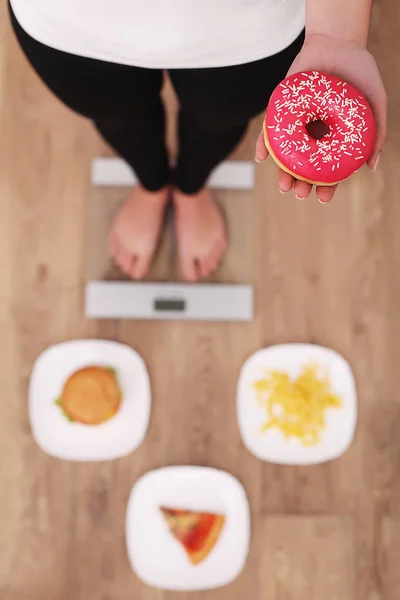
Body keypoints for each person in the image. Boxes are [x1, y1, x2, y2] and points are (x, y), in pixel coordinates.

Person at [9, 0, 386, 282]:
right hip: (67, 25)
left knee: (219, 120)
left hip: (250, 27)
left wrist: (339, 32)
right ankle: (151, 185)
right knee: (118, 118)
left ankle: (191, 187)